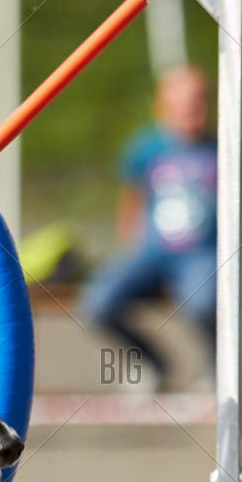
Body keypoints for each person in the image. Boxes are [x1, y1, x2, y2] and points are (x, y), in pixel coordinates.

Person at [78, 65, 217, 392]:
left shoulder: (221, 148)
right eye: (183, 103)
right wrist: (129, 251)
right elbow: (131, 203)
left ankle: (217, 368)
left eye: (198, 102)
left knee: (204, 303)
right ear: (162, 107)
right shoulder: (144, 149)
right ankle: (152, 363)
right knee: (97, 302)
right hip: (152, 252)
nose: (192, 110)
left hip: (202, 254)